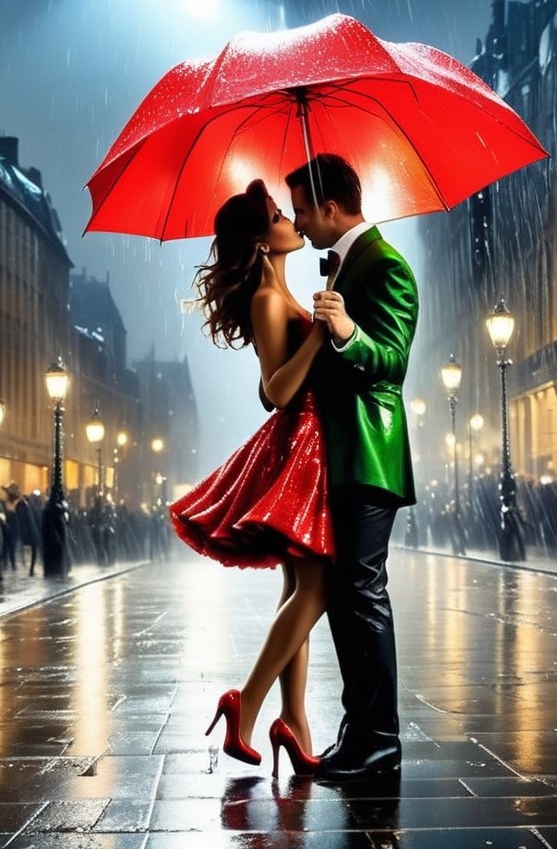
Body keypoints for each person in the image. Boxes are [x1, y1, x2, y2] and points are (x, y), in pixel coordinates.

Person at [169, 178, 333, 778]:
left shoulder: (280, 288)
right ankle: (248, 704)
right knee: (318, 587)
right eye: (278, 215)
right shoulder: (268, 297)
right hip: (301, 444)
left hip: (308, 445)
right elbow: (275, 391)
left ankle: (295, 721)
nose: (292, 218)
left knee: (296, 587)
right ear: (263, 242)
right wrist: (318, 336)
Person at [288, 153, 419, 782]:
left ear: (332, 209)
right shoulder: (341, 264)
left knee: (363, 594)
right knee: (346, 597)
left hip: (370, 452)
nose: (299, 224)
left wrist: (345, 332)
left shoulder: (387, 264)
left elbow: (391, 361)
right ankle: (360, 728)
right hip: (341, 455)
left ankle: (381, 741)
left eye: (303, 212)